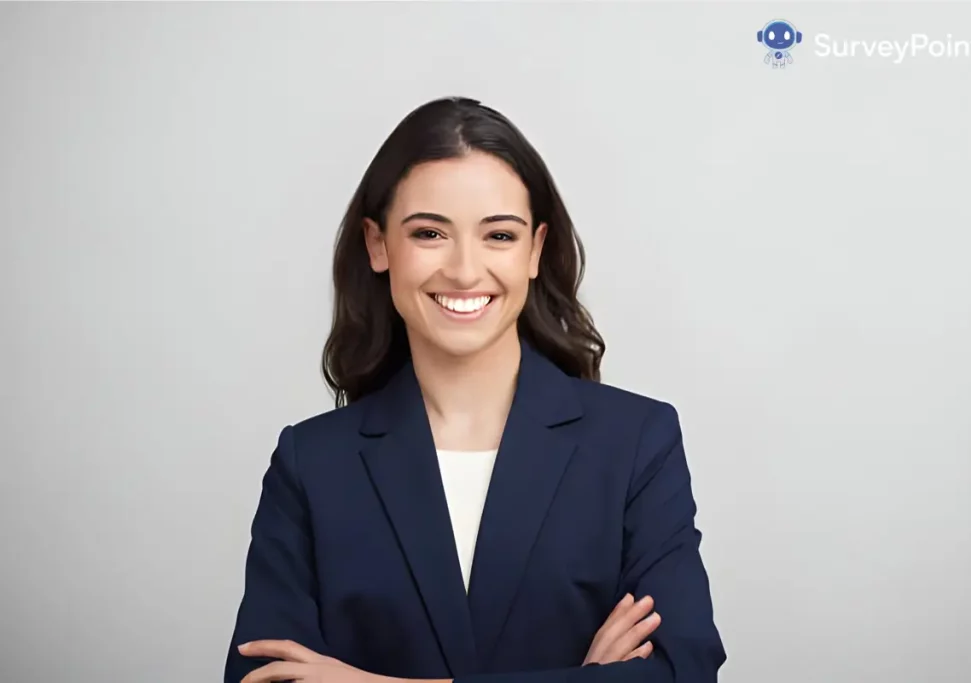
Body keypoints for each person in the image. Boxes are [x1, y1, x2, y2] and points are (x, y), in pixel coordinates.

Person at [224, 96, 726, 683]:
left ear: (536, 250)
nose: (465, 270)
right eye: (430, 233)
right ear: (378, 244)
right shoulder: (310, 463)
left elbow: (681, 673)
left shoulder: (636, 441)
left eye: (500, 236)